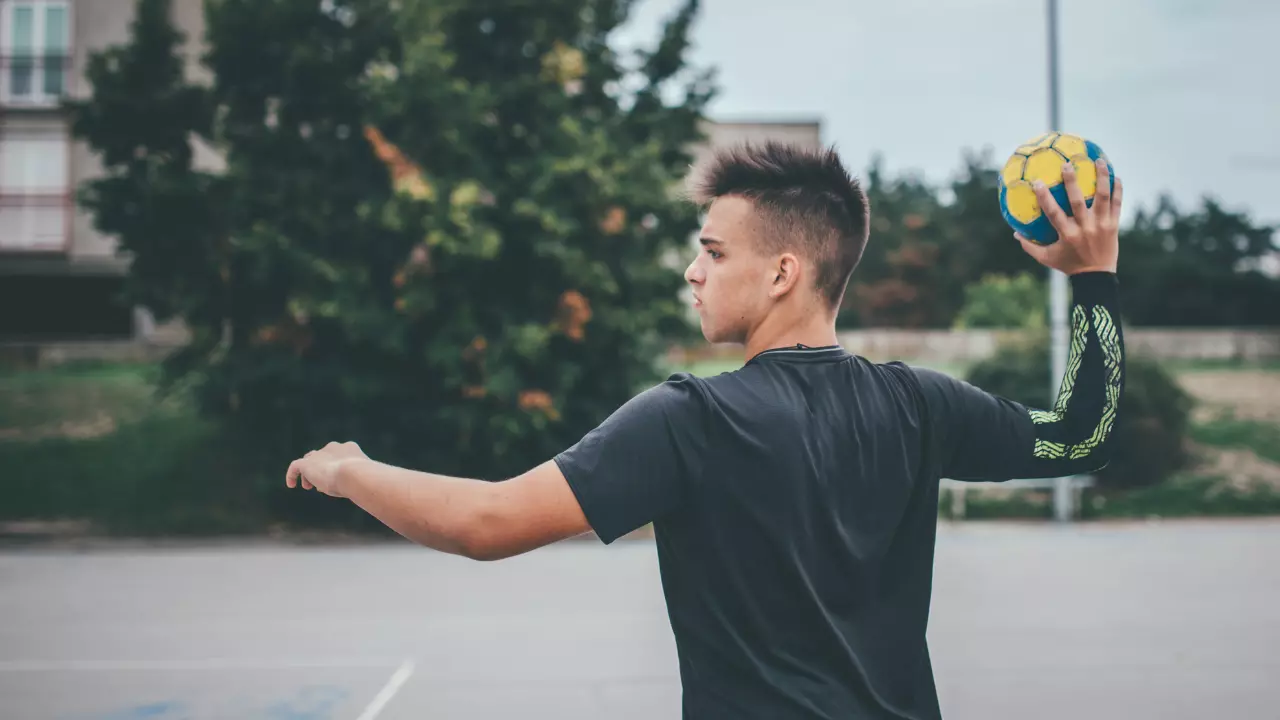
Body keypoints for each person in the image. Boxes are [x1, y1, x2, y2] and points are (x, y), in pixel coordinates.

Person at [286, 142, 1125, 719]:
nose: (694, 269)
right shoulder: (920, 406)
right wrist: (1094, 279)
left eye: (714, 252)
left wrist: (350, 470)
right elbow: (1083, 435)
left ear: (783, 272)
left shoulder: (691, 419)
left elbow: (487, 524)